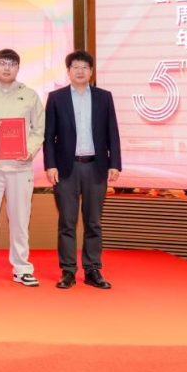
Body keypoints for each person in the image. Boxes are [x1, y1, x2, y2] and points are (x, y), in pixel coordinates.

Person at [43, 50, 121, 290]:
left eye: (84, 67)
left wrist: (115, 163)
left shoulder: (104, 97)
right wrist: (50, 165)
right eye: (75, 67)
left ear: (91, 72)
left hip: (96, 167)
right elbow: (49, 136)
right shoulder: (56, 98)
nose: (80, 71)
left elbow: (112, 131)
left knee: (93, 222)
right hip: (66, 168)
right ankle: (67, 270)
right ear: (68, 71)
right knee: (67, 222)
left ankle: (92, 269)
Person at [0, 48, 45, 287]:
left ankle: (22, 268)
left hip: (20, 167)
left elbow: (39, 129)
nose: (6, 67)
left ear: (18, 68)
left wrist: (29, 151)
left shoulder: (30, 95)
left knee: (20, 221)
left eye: (11, 64)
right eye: (2, 63)